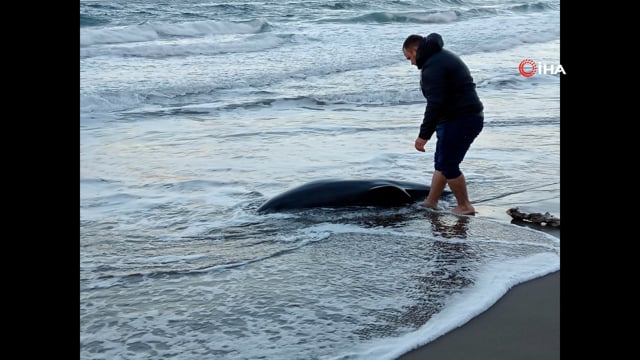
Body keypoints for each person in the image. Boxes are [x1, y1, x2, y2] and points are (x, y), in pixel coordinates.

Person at [402, 33, 484, 215]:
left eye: (409, 58)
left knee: (448, 164)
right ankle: (431, 202)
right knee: (442, 162)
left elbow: (435, 104)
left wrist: (423, 135)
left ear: (415, 50)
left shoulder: (433, 66)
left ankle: (464, 205)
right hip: (461, 117)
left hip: (461, 119)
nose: (412, 63)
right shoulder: (439, 57)